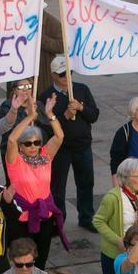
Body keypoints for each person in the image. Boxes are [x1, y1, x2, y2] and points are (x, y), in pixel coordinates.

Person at [6, 94, 66, 267]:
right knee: (22, 260)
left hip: (44, 216)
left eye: (36, 142)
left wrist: (50, 114)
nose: (33, 146)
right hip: (21, 218)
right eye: (28, 143)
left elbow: (60, 137)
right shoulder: (15, 161)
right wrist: (30, 117)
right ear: (21, 146)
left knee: (41, 260)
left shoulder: (45, 156)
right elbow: (11, 139)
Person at [40, 56, 99, 233]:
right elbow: (47, 129)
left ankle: (86, 217)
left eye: (69, 73)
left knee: (86, 183)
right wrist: (65, 115)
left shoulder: (81, 89)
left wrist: (81, 108)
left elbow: (94, 115)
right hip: (61, 150)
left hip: (82, 146)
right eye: (62, 74)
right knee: (58, 188)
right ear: (53, 75)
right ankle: (58, 222)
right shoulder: (46, 97)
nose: (66, 77)